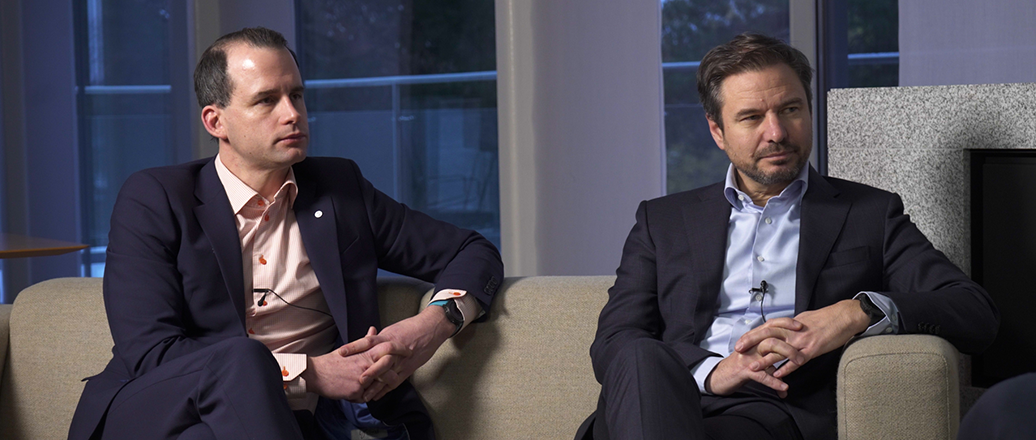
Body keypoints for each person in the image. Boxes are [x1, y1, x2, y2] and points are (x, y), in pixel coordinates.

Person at [68, 27, 503, 440]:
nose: (293, 114)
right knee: (241, 360)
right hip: (164, 411)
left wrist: (432, 325)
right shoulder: (155, 199)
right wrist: (310, 372)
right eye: (266, 100)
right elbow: (151, 353)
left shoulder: (340, 191)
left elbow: (470, 250)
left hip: (289, 423)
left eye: (296, 95)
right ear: (216, 122)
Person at [577, 33, 999, 440]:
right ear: (717, 131)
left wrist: (856, 312)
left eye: (790, 109)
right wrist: (712, 372)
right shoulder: (662, 221)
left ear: (809, 111)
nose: (777, 132)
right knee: (639, 355)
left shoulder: (870, 214)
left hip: (767, 415)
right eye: (751, 117)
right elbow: (613, 341)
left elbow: (975, 312)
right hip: (661, 397)